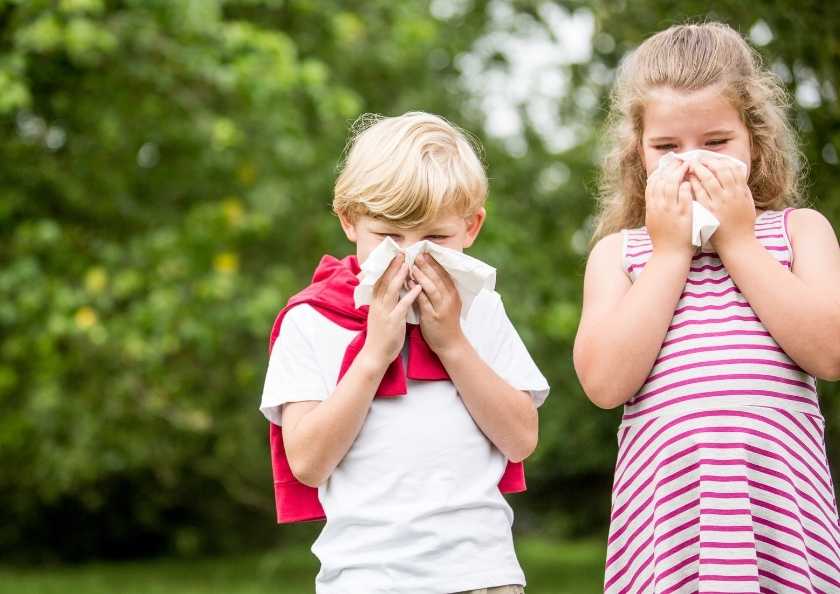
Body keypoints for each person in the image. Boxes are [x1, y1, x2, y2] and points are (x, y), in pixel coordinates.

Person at [574, 22, 840, 593]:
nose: (691, 164)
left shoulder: (800, 233)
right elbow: (603, 383)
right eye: (667, 147)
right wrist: (670, 252)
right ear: (638, 153)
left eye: (716, 143)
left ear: (755, 141)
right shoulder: (620, 254)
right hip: (670, 526)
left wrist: (739, 242)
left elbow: (831, 352)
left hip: (778, 519)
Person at [260, 111, 549, 594]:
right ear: (350, 220)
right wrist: (375, 354)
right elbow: (308, 463)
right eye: (389, 237)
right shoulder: (310, 321)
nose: (411, 256)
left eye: (435, 238)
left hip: (482, 575)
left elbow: (520, 439)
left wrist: (452, 342)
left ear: (471, 227)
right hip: (365, 578)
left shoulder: (481, 311)